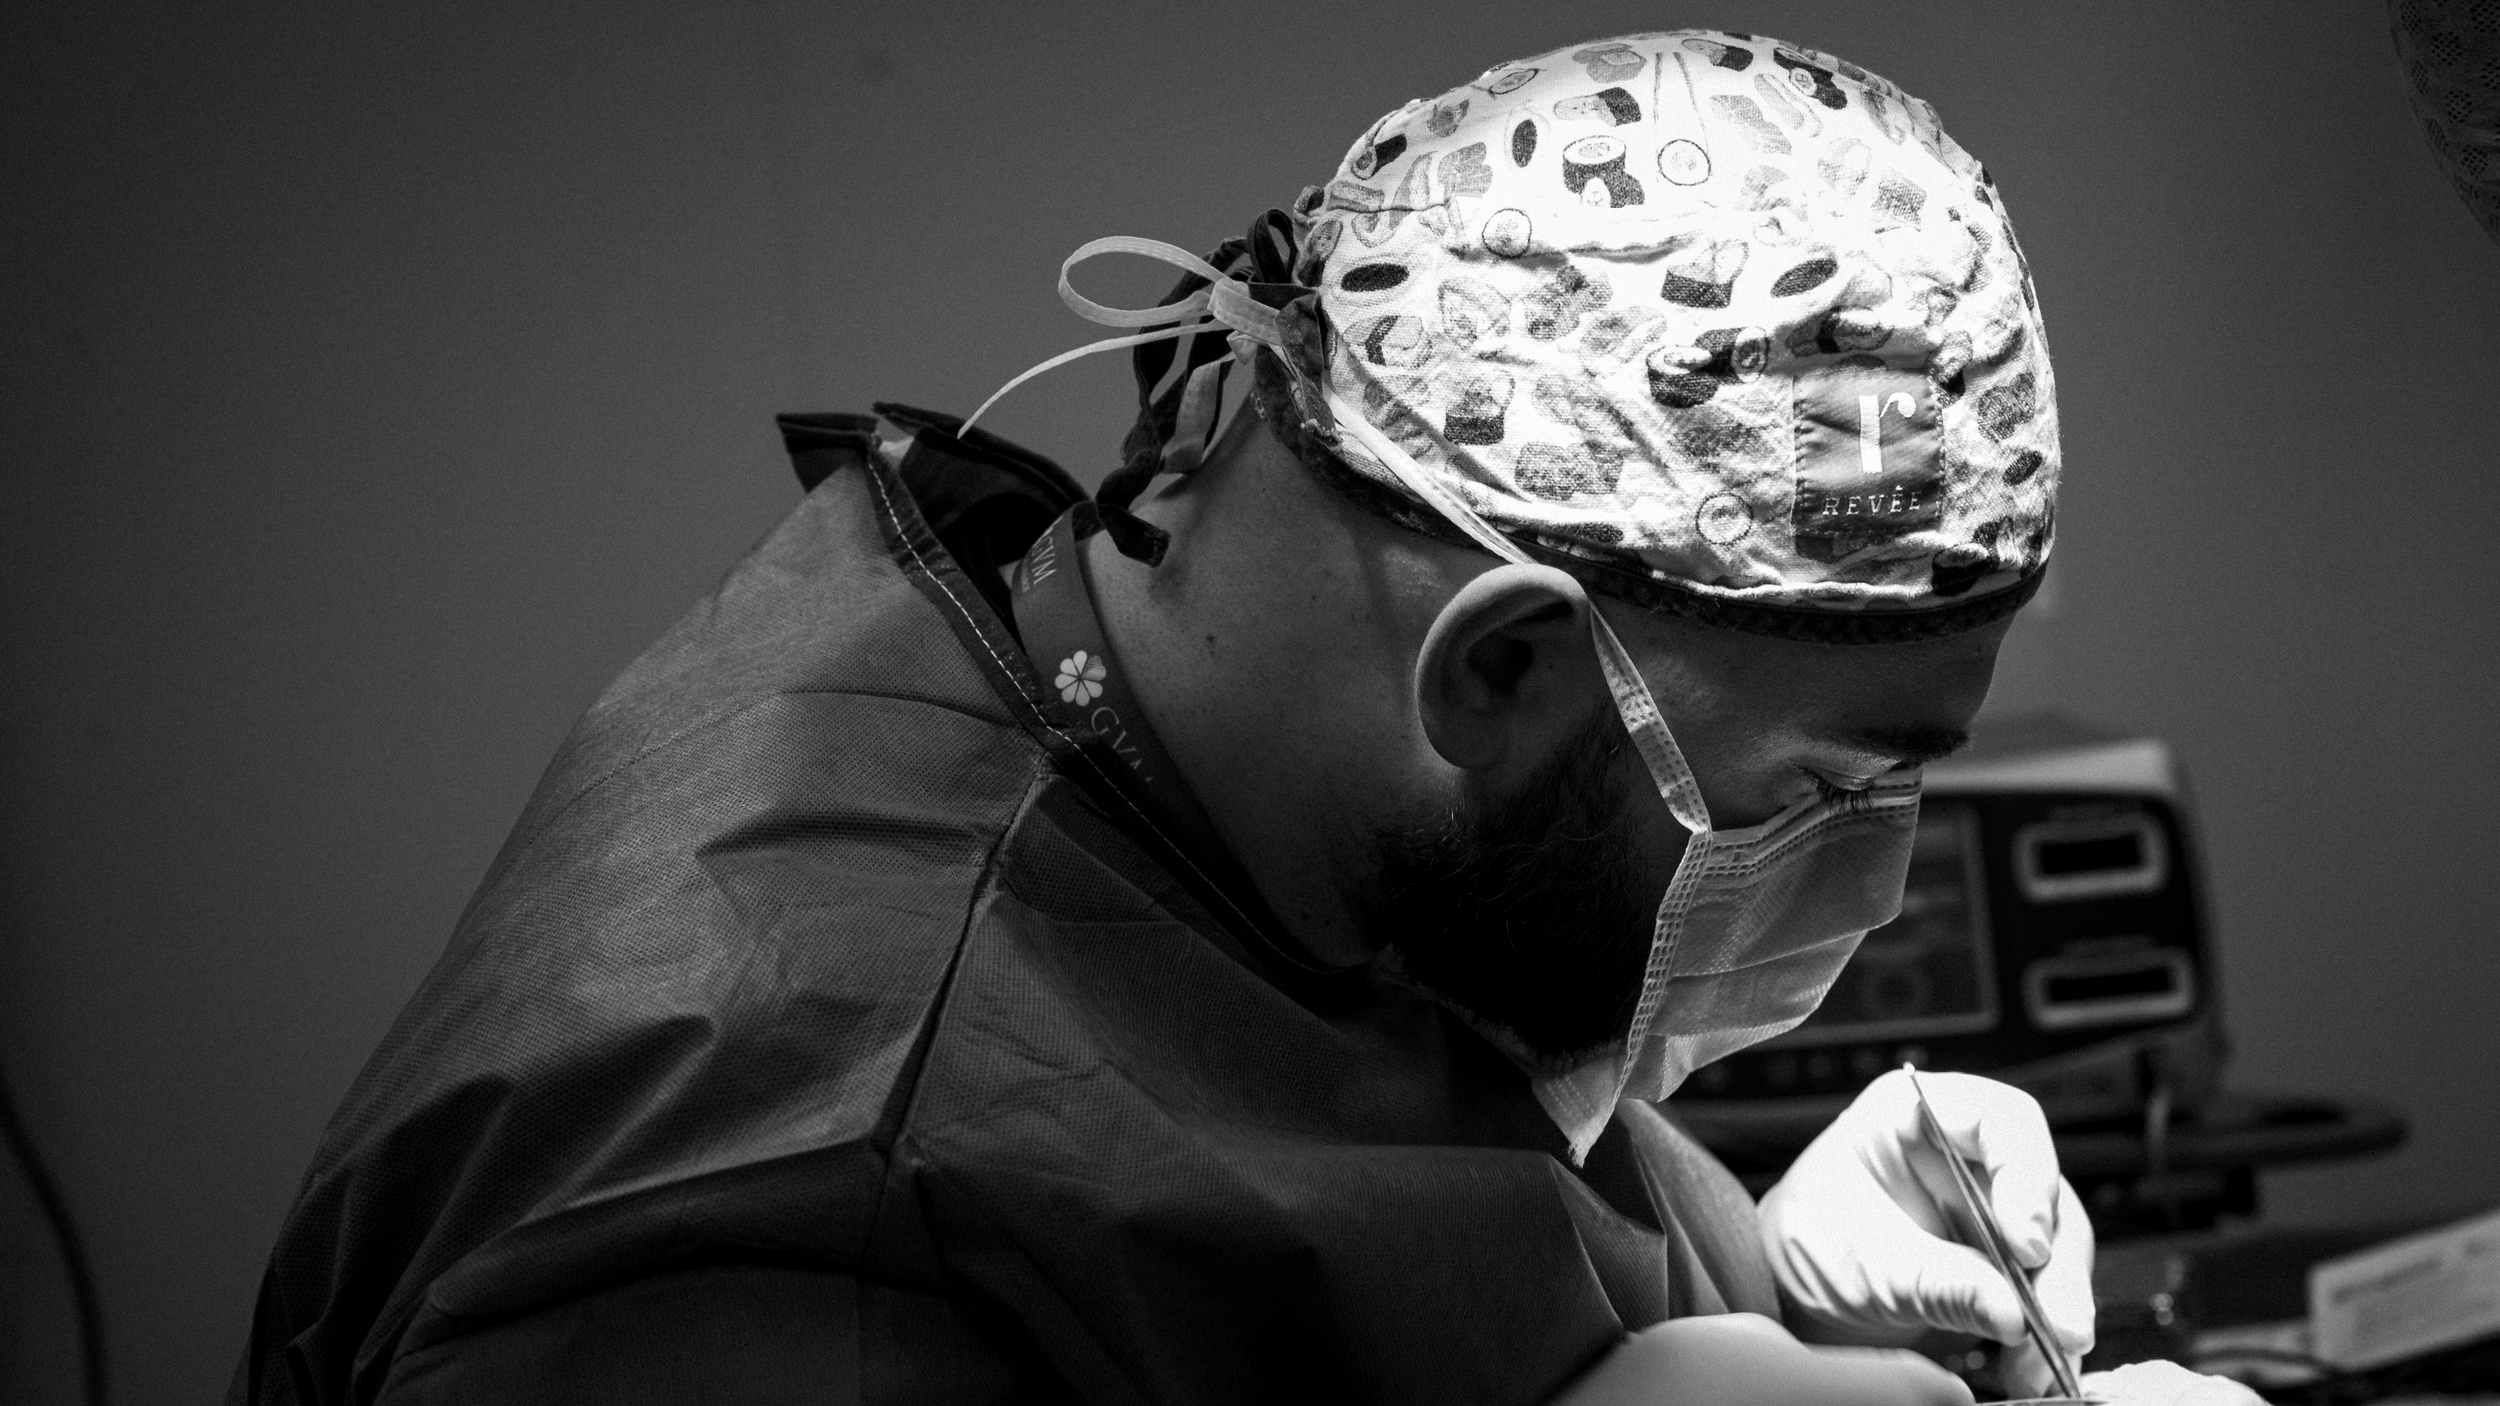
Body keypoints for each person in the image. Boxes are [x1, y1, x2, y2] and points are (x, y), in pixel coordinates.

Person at [231, 28, 2250, 1406]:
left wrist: (1734, 1258)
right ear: (1501, 667)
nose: (1875, 878)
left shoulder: (1210, 754)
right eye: (1828, 788)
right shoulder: (791, 1201)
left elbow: (1351, 1186)